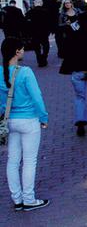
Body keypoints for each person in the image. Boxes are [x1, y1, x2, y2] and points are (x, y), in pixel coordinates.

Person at [1, 38, 50, 212]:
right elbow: (37, 97)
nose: (23, 51)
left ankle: (17, 199)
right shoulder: (26, 72)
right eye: (21, 49)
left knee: (12, 161)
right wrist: (43, 117)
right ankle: (29, 199)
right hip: (29, 120)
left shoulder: (0, 72)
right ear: (17, 52)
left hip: (10, 122)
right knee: (29, 161)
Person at [25, 0, 52, 67]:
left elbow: (26, 23)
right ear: (41, 4)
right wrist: (49, 30)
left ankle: (39, 59)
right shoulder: (46, 12)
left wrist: (28, 33)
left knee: (36, 47)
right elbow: (49, 22)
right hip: (44, 32)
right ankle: (44, 57)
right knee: (46, 45)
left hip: (34, 33)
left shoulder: (30, 12)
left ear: (34, 4)